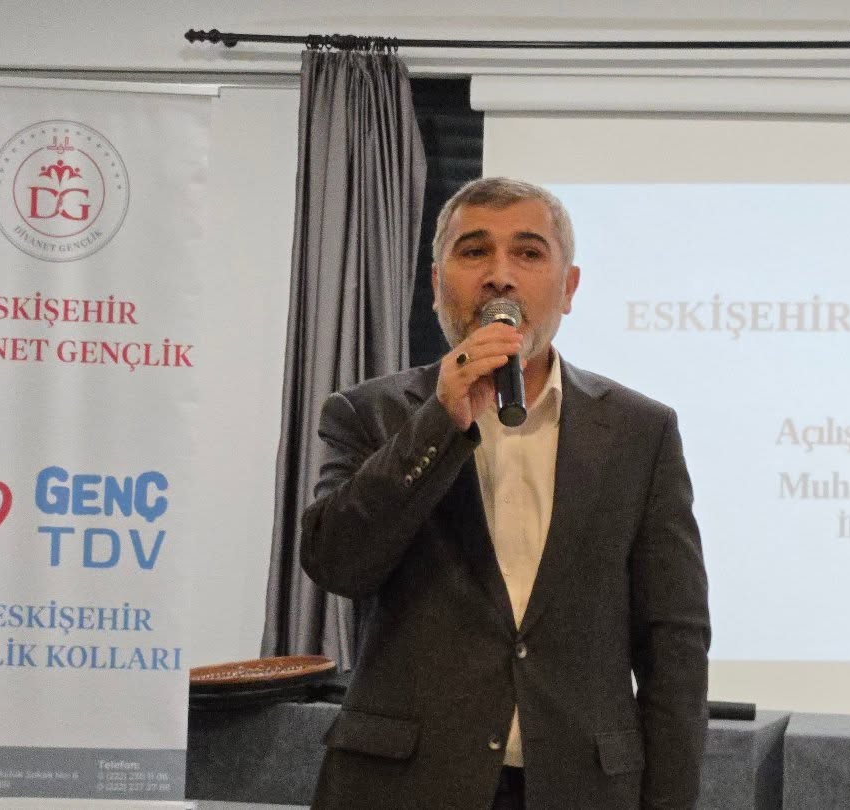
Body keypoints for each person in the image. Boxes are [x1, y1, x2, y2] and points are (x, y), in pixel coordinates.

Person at [300, 177, 711, 809]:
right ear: (436, 283)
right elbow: (338, 564)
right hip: (403, 786)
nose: (500, 276)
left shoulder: (640, 430)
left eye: (528, 253)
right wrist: (439, 422)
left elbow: (673, 642)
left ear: (568, 288)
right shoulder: (368, 413)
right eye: (474, 252)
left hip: (581, 789)